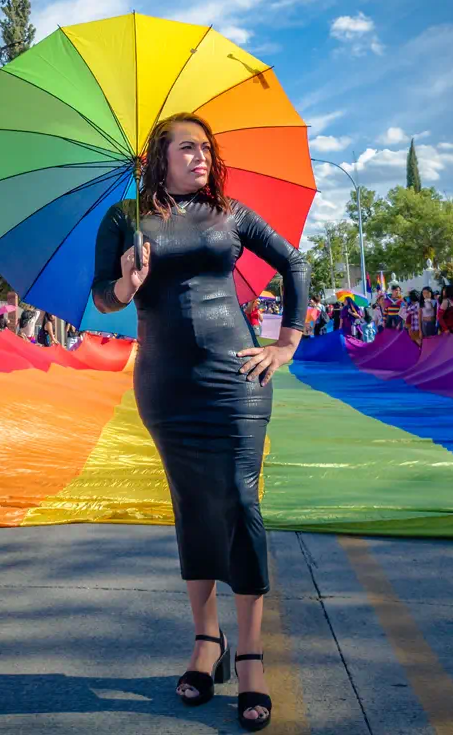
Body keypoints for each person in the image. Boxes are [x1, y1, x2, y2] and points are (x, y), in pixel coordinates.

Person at [92, 111, 310, 730]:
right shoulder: (124, 219)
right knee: (191, 505)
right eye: (189, 147)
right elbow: (100, 295)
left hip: (236, 377)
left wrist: (286, 345)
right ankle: (206, 642)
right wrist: (126, 286)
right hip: (165, 384)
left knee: (239, 501)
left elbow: (294, 264)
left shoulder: (229, 214)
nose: (202, 157)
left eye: (207, 149)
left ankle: (251, 656)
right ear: (158, 157)